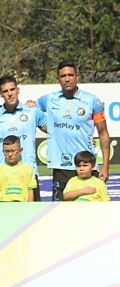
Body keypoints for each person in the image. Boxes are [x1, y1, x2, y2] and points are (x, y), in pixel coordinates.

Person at [38, 61, 110, 201]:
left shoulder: (92, 101)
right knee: (58, 211)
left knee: (90, 212)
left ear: (77, 76)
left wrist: (106, 166)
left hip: (86, 164)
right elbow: (24, 111)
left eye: (70, 75)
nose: (67, 79)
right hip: (61, 167)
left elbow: (103, 133)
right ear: (58, 78)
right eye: (63, 76)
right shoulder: (49, 99)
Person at [0, 75, 47, 201]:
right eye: (5, 91)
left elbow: (55, 130)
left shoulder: (33, 112)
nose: (10, 94)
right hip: (2, 176)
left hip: (29, 176)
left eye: (12, 89)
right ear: (0, 94)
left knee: (33, 218)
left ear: (18, 90)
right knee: (1, 219)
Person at [0, 136, 37, 202]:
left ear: (20, 151)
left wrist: (30, 207)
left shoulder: (28, 169)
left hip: (22, 206)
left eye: (13, 151)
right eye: (6, 151)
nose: (9, 154)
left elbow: (30, 190)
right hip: (5, 206)